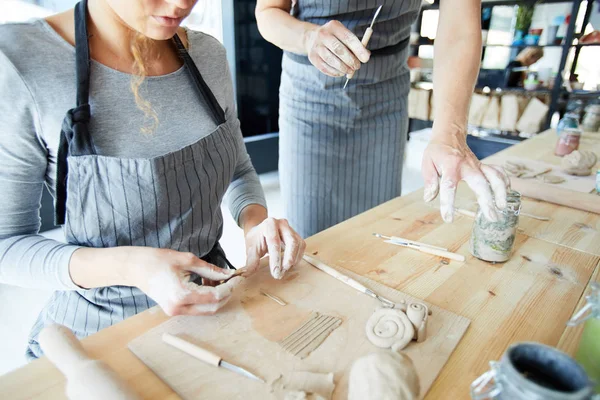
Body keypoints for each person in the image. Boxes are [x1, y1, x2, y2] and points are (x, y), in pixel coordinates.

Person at [0, 0, 305, 360]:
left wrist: (255, 223)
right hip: (102, 336)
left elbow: (237, 168)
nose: (181, 4)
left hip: (215, 308)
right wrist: (133, 266)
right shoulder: (21, 64)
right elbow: (7, 246)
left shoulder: (206, 54)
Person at [256, 0, 509, 238]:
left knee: (377, 232)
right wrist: (309, 37)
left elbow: (459, 29)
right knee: (311, 239)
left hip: (387, 94)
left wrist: (449, 133)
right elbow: (268, 12)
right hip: (311, 92)